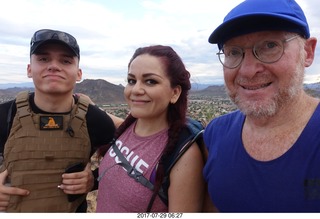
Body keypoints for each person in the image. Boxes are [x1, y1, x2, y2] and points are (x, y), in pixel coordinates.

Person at [203, 0, 320, 212]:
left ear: (308, 52)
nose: (247, 71)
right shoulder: (215, 134)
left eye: (270, 45)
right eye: (234, 52)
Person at [0, 29, 122, 212]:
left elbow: (133, 154)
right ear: (29, 69)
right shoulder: (5, 114)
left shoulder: (94, 120)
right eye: (43, 59)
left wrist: (93, 180)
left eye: (65, 61)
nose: (54, 66)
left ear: (79, 74)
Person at [95, 45, 205, 212]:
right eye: (131, 80)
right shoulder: (128, 127)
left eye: (150, 81)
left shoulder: (183, 156)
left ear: (174, 93)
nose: (136, 90)